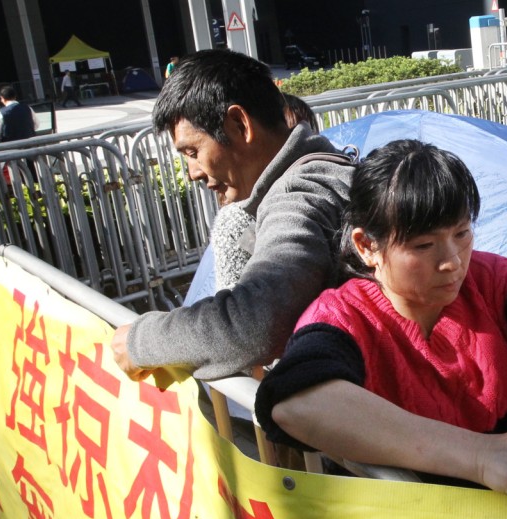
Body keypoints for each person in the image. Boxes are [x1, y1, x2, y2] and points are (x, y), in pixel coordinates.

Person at [255, 140, 507, 519]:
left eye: (462, 233)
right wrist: (482, 455)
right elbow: (293, 402)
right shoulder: (344, 317)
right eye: (423, 245)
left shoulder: (489, 283)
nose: (452, 262)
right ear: (367, 246)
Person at [110, 49, 355, 381]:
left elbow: (255, 321)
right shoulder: (328, 171)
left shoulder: (297, 198)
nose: (192, 172)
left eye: (193, 152)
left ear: (240, 124)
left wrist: (142, 340)